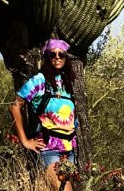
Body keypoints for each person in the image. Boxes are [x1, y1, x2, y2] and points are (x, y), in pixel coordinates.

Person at [9, 39, 77, 190]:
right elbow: (14, 106)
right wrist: (25, 141)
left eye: (61, 54)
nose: (57, 57)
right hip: (49, 148)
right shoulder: (40, 81)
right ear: (48, 57)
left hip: (69, 150)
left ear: (66, 58)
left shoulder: (67, 83)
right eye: (53, 54)